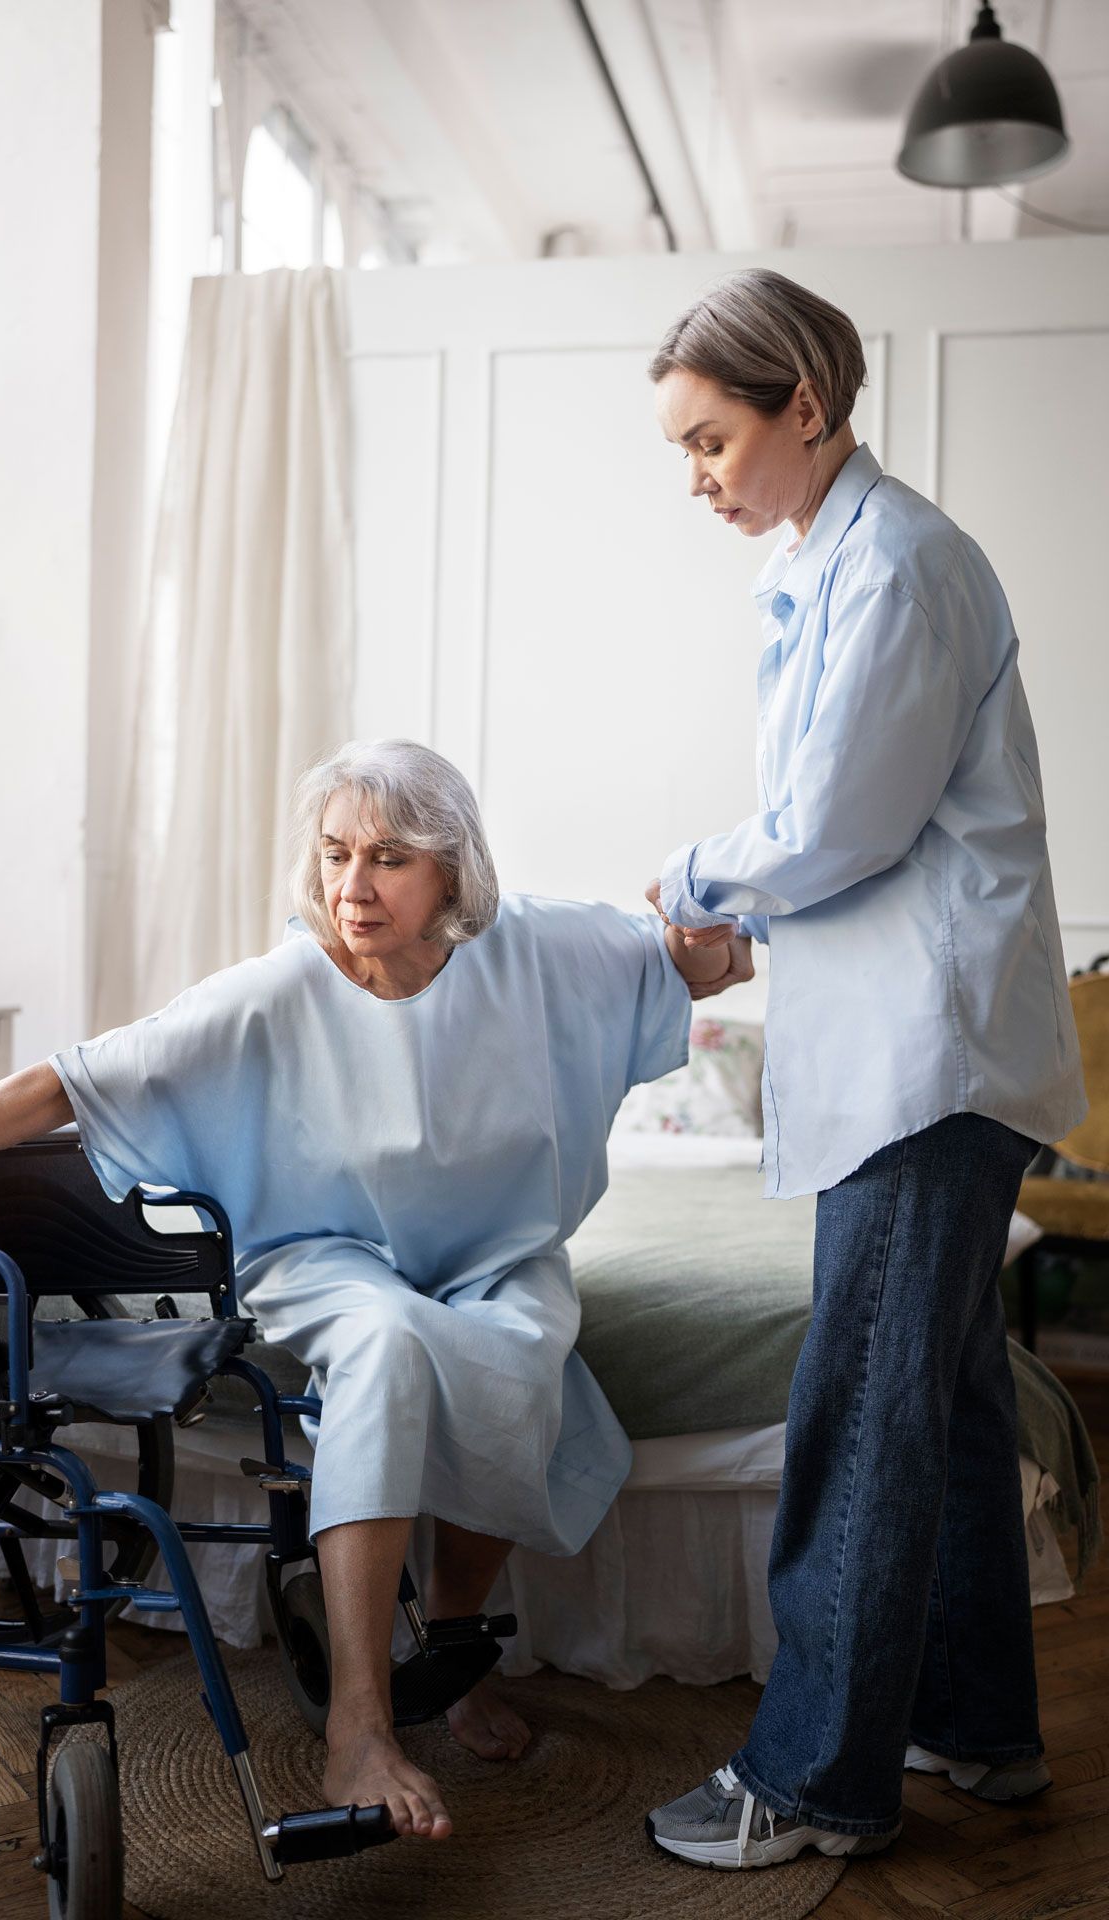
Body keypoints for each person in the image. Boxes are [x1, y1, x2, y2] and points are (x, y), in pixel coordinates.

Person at [0, 737, 741, 1843]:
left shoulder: (540, 948)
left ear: (450, 871)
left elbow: (690, 963)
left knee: (527, 1342)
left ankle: (450, 1647)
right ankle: (358, 1720)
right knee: (389, 1345)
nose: (352, 887)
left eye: (389, 859)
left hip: (496, 1251)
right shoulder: (280, 988)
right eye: (335, 854)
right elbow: (76, 1078)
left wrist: (721, 939)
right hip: (328, 1252)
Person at [640, 268, 1086, 1870]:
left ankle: (816, 1775)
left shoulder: (894, 566)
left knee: (862, 1411)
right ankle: (979, 1725)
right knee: (950, 1405)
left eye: (709, 441)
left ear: (805, 409)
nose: (695, 475)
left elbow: (837, 826)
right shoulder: (852, 566)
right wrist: (757, 928)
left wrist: (692, 880)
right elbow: (879, 845)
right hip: (926, 1045)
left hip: (929, 1068)